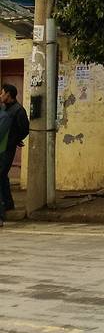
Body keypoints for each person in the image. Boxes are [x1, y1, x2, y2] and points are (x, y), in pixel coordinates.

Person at [0, 83, 30, 226]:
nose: (1, 96)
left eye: (2, 93)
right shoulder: (4, 108)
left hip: (8, 148)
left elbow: (24, 129)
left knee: (1, 173)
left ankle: (4, 206)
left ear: (8, 94)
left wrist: (15, 139)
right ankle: (8, 203)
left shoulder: (18, 110)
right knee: (3, 176)